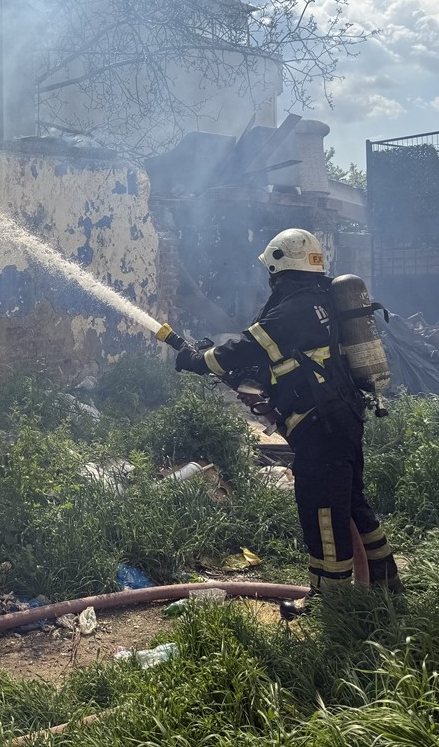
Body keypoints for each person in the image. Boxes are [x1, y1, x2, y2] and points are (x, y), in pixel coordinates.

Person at [172, 228, 402, 616]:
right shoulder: (324, 299)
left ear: (280, 266)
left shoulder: (290, 309)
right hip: (344, 416)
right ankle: (386, 583)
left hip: (320, 424)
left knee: (322, 510)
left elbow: (245, 346)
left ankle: (330, 601)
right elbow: (281, 358)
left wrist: (197, 359)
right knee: (351, 502)